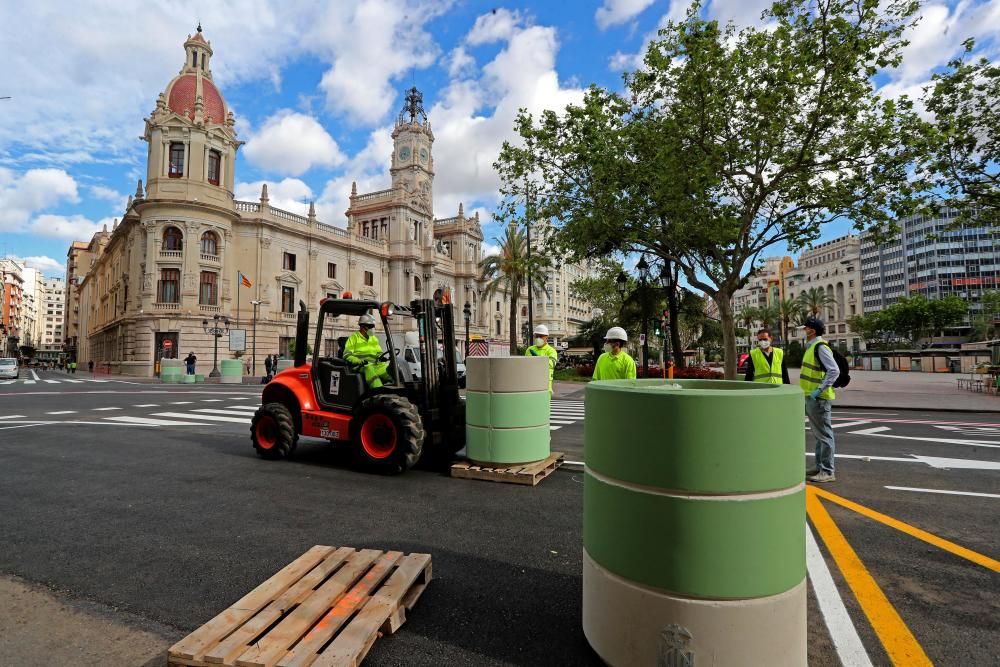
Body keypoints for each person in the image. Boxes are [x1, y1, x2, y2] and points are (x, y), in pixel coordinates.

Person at [800, 316, 839, 483]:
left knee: (824, 435)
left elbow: (834, 371)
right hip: (812, 397)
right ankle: (819, 466)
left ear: (812, 330)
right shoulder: (812, 347)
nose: (804, 330)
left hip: (819, 398)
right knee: (819, 435)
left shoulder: (820, 347)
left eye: (806, 327)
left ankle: (828, 471)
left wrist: (818, 390)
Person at [344, 313, 391, 388]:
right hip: (361, 366)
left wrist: (381, 357)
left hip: (376, 365)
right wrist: (358, 361)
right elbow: (347, 355)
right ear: (362, 327)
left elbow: (379, 353)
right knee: (369, 368)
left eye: (373, 326)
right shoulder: (353, 338)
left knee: (390, 368)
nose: (373, 328)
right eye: (370, 326)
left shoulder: (374, 338)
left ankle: (393, 388)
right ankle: (378, 391)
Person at [524, 324, 558, 394]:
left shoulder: (551, 351)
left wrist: (538, 359)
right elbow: (525, 365)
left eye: (541, 336)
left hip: (545, 384)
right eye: (536, 336)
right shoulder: (530, 349)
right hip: (530, 383)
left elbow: (551, 364)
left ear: (547, 338)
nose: (538, 338)